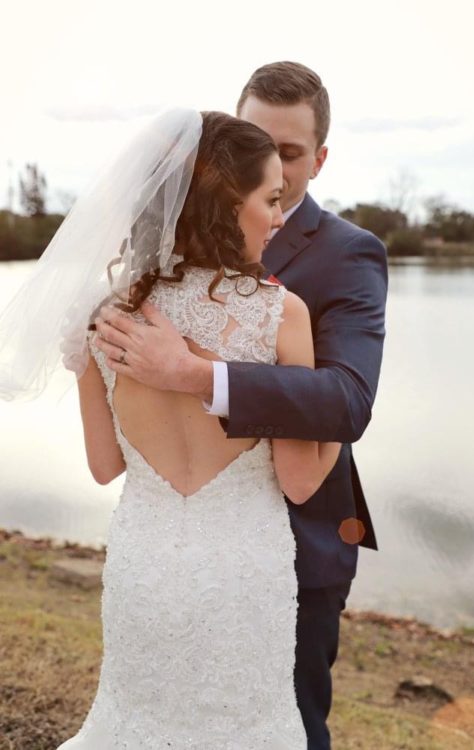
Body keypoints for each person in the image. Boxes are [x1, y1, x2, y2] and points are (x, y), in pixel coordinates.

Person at [24, 108, 353, 748]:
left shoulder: (104, 316)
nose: (280, 218)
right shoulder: (281, 315)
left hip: (144, 565)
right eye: (271, 199)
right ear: (229, 206)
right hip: (243, 572)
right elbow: (300, 482)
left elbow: (103, 466)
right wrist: (333, 415)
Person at [98, 63, 388, 749]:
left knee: (286, 724)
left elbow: (348, 397)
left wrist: (200, 375)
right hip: (165, 548)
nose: (275, 172)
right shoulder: (152, 262)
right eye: (258, 144)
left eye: (290, 153)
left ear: (318, 157)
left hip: (299, 548)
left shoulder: (350, 254)